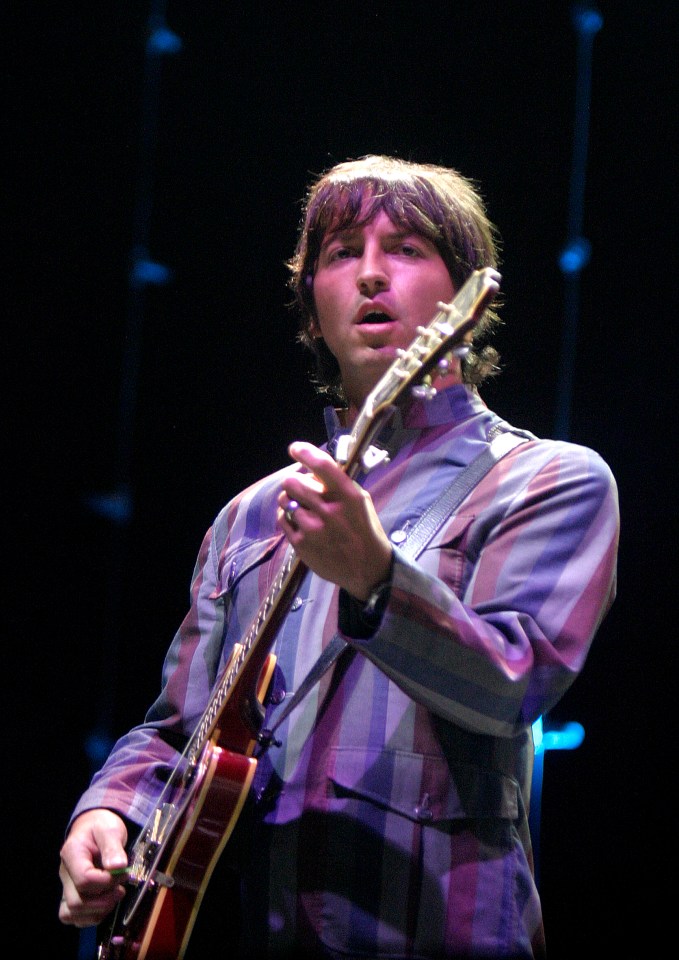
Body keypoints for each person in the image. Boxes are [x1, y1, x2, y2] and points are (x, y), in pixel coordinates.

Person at [58, 155, 619, 959]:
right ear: (311, 303)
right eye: (340, 251)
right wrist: (107, 811)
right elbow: (179, 730)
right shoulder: (251, 516)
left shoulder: (546, 479)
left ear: (462, 300)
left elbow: (513, 684)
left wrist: (375, 579)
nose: (368, 276)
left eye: (407, 249)